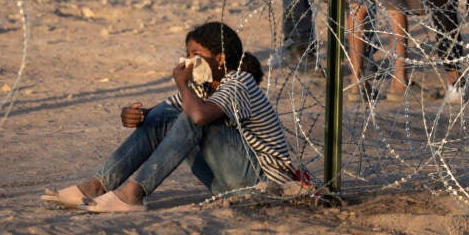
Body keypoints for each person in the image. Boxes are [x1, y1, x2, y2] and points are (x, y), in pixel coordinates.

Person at [41, 22, 302, 212]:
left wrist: (182, 84)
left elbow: (197, 116)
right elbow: (161, 116)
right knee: (167, 115)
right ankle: (99, 184)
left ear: (220, 59)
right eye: (187, 54)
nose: (188, 62)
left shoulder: (240, 82)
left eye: (196, 56)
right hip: (227, 184)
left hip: (264, 184)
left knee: (191, 115)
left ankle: (133, 193)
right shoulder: (203, 86)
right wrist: (136, 115)